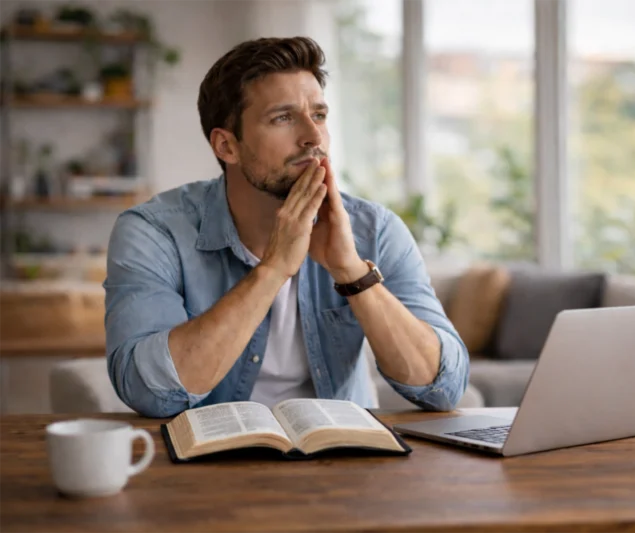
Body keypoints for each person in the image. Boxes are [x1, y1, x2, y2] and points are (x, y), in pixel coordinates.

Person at [104, 36, 469, 418]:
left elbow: (442, 389)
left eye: (320, 115)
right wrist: (273, 269)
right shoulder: (153, 232)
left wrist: (352, 273)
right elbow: (148, 392)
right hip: (207, 465)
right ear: (226, 146)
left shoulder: (374, 230)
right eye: (282, 118)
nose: (313, 137)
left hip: (346, 462)